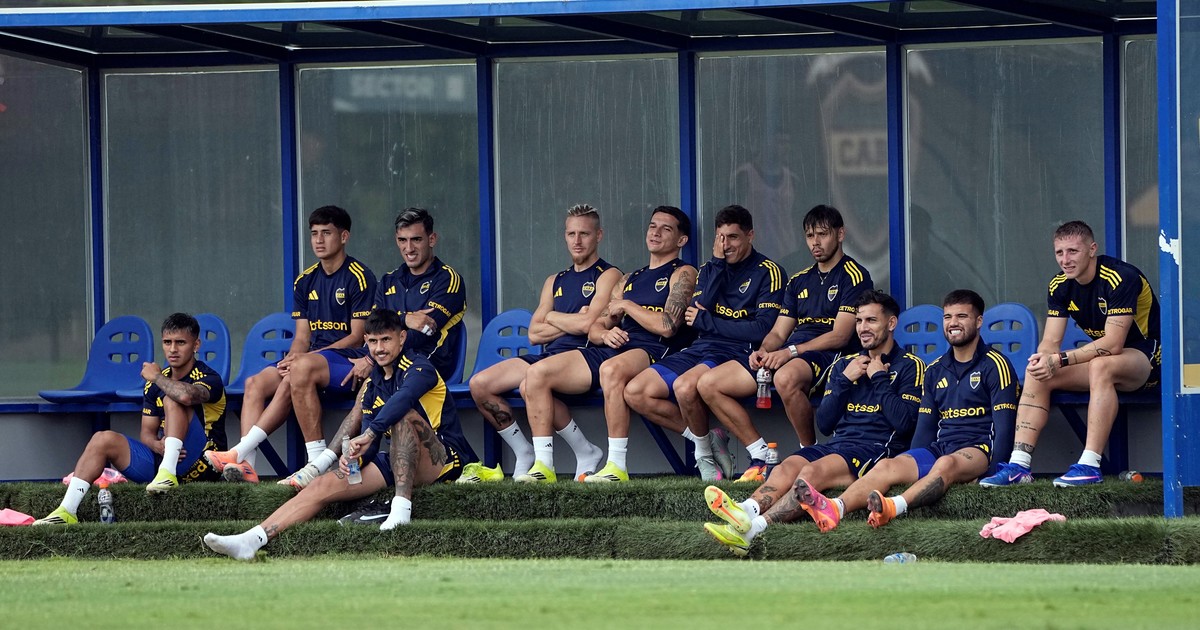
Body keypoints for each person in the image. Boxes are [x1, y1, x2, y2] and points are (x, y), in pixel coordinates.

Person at [203, 309, 476, 559]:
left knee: (402, 415)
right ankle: (251, 540)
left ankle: (400, 512)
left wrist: (369, 435)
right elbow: (369, 442)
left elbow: (401, 401)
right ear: (366, 342)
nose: (380, 348)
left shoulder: (420, 368)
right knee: (321, 485)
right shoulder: (373, 384)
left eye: (386, 340)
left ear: (402, 338)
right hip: (397, 460)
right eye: (373, 341)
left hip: (443, 458)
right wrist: (354, 458)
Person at [702, 291, 923, 555]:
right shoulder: (844, 365)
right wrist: (844, 381)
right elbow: (825, 424)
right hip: (838, 444)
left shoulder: (911, 366)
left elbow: (905, 424)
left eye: (871, 320)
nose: (863, 328)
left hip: (875, 449)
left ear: (891, 323)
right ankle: (745, 510)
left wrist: (879, 379)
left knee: (810, 473)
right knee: (786, 467)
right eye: (858, 321)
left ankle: (752, 530)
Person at [784, 290, 1019, 536]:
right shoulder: (935, 369)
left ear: (979, 321)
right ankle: (836, 507)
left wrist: (992, 474)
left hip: (977, 447)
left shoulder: (996, 365)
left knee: (945, 463)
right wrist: (912, 460)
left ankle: (893, 506)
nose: (953, 323)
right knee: (888, 465)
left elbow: (1005, 427)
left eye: (962, 316)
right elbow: (925, 429)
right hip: (940, 447)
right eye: (948, 317)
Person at [501, 206, 697, 484]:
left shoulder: (683, 272)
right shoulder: (630, 278)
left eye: (666, 229)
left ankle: (616, 465)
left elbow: (667, 325)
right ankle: (544, 466)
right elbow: (595, 327)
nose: (655, 233)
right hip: (614, 348)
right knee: (536, 374)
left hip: (655, 350)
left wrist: (627, 306)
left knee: (611, 370)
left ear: (681, 240)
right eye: (652, 226)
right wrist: (605, 335)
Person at [278, 208, 466, 490]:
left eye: (416, 239)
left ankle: (323, 466)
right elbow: (375, 325)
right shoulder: (389, 280)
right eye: (402, 240)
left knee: (368, 390)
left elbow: (425, 331)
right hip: (387, 363)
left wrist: (377, 349)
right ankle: (325, 465)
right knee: (360, 388)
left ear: (432, 239)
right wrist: (405, 319)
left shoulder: (448, 279)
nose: (409, 248)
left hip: (428, 365)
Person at [698, 204, 872, 482]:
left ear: (840, 234)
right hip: (793, 352)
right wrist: (764, 350)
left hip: (832, 353)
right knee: (709, 384)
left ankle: (809, 453)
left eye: (823, 234)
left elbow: (840, 335)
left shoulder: (854, 275)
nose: (815, 243)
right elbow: (779, 332)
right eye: (810, 236)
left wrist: (790, 351)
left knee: (785, 377)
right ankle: (759, 454)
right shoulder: (799, 280)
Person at [981, 220, 1160, 488]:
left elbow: (1113, 344)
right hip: (1107, 361)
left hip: (1148, 359)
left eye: (1073, 251)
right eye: (1059, 253)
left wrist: (1061, 360)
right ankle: (1019, 466)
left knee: (1100, 365)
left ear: (1092, 249)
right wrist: (1044, 358)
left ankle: (1089, 465)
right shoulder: (1059, 285)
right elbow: (1050, 341)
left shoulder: (1120, 277)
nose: (1065, 260)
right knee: (1038, 372)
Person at [204, 205, 376, 484]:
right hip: (311, 360)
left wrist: (304, 359)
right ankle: (247, 466)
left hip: (347, 359)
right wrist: (292, 358)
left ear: (344, 236)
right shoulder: (305, 280)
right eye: (314, 234)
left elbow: (357, 336)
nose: (318, 240)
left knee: (300, 368)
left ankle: (304, 461)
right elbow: (302, 337)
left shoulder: (359, 276)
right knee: (254, 383)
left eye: (326, 233)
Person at [624, 204, 785, 481]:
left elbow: (760, 329)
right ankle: (708, 443)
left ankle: (706, 459)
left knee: (685, 386)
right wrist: (718, 264)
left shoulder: (768, 271)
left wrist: (707, 321)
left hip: (737, 351)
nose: (726, 245)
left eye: (733, 237)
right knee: (636, 392)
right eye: (720, 237)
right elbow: (697, 313)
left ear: (750, 236)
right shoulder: (709, 268)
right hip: (701, 348)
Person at [465, 204, 622, 481]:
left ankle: (544, 465)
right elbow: (534, 334)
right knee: (480, 384)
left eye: (584, 234)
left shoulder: (608, 274)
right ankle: (526, 452)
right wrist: (571, 320)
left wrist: (552, 317)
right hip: (551, 357)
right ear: (565, 236)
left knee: (533, 380)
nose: (577, 240)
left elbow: (589, 325)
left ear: (599, 235)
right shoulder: (554, 280)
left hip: (589, 354)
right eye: (571, 234)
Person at [35, 313, 227, 524]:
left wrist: (157, 377)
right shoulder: (154, 384)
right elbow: (147, 433)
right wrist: (157, 446)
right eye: (167, 342)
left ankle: (167, 473)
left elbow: (185, 396)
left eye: (180, 342)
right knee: (102, 439)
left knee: (173, 398)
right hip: (164, 460)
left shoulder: (209, 377)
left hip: (201, 463)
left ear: (196, 345)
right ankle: (66, 511)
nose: (173, 349)